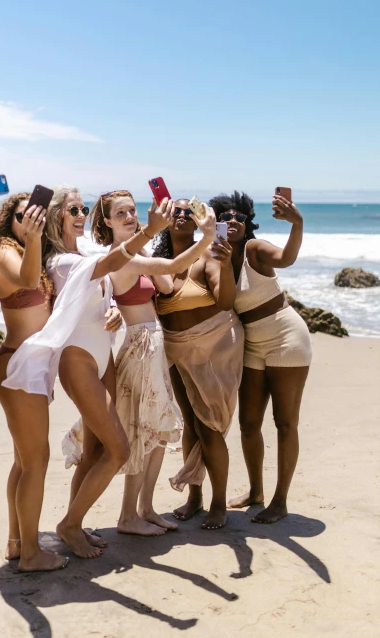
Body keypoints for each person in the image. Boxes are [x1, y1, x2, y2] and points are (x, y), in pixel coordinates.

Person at [4, 186, 172, 558]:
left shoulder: (84, 251)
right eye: (72, 209)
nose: (81, 215)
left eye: (82, 208)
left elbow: (102, 284)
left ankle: (73, 525)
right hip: (78, 357)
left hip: (103, 354)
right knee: (118, 450)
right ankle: (67, 524)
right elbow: (111, 264)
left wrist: (111, 306)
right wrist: (149, 232)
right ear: (56, 217)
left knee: (96, 448)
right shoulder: (60, 260)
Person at [87, 191, 216, 537]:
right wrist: (207, 237)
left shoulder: (137, 253)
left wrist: (144, 245)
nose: (130, 216)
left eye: (132, 210)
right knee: (141, 431)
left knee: (157, 433)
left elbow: (167, 284)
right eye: (121, 213)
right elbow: (173, 269)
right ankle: (128, 515)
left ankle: (145, 508)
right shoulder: (118, 257)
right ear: (107, 222)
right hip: (141, 344)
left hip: (154, 344)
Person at [210, 191, 312, 524]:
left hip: (286, 338)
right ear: (217, 223)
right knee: (248, 423)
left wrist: (297, 224)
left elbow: (286, 258)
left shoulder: (255, 250)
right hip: (253, 343)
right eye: (225, 217)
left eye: (239, 217)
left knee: (285, 422)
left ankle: (280, 501)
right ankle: (256, 492)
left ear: (248, 223)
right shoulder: (218, 258)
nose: (232, 221)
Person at [0, 193, 68, 571]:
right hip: (17, 365)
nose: (28, 221)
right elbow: (27, 279)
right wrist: (33, 237)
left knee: (23, 461)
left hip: (30, 367)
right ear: (9, 220)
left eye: (34, 215)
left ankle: (18, 543)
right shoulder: (5, 251)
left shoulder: (29, 249)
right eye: (21, 216)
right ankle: (32, 554)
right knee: (36, 460)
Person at [153, 199, 244, 530]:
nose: (180, 215)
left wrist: (227, 265)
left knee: (209, 426)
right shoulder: (157, 262)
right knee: (191, 424)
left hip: (215, 344)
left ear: (198, 222)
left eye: (187, 212)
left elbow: (225, 301)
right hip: (175, 348)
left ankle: (219, 503)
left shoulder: (208, 255)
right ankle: (195, 497)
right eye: (174, 211)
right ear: (165, 220)